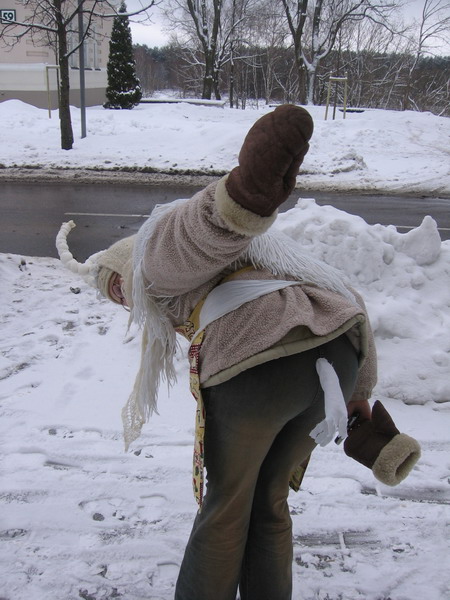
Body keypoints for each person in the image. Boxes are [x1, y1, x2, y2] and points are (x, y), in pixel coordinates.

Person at [56, 105, 420, 600]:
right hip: (334, 358)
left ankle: (236, 201)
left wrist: (238, 206)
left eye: (115, 285)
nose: (121, 296)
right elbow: (346, 299)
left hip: (257, 364)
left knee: (226, 507)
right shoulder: (278, 262)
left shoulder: (156, 266)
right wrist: (359, 393)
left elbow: (183, 248)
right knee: (269, 500)